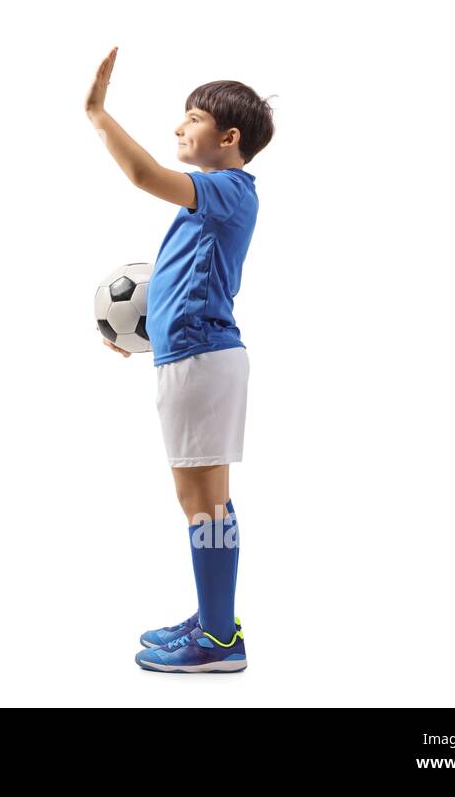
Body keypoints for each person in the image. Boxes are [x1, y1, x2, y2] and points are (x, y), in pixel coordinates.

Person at [85, 47, 273, 673]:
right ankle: (214, 618)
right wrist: (148, 337)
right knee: (200, 497)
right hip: (190, 359)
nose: (177, 128)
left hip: (205, 361)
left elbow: (142, 176)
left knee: (204, 501)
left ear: (229, 137)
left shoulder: (224, 188)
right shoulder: (217, 197)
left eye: (190, 118)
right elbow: (183, 282)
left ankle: (219, 639)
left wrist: (99, 115)